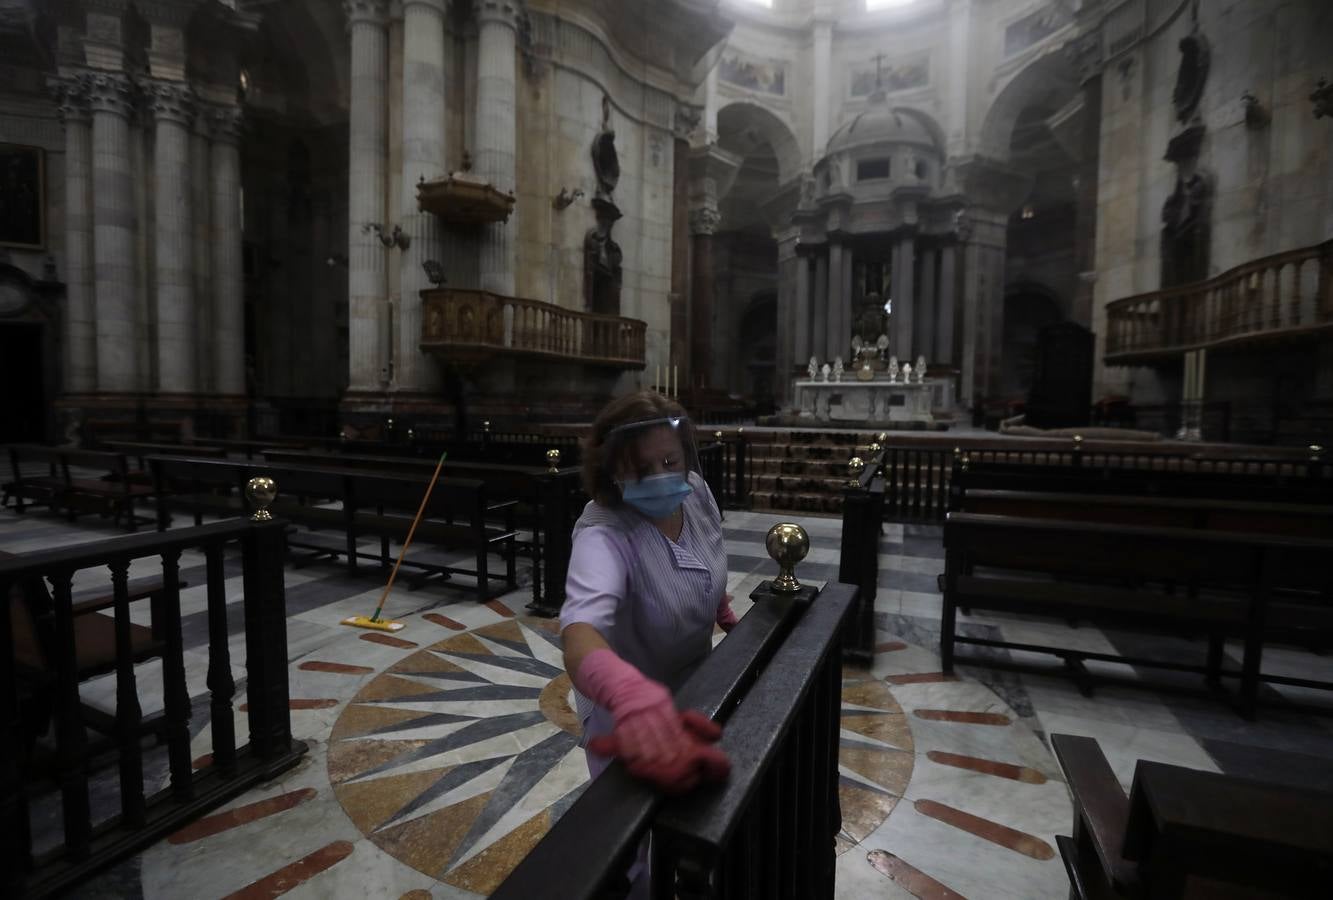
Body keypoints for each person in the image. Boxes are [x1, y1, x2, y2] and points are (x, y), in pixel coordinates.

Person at [561, 391, 737, 790]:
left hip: (696, 686)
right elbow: (579, 633)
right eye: (640, 468)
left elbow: (703, 554)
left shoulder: (694, 491)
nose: (661, 475)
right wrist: (627, 693)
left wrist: (719, 608)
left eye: (670, 461)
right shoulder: (602, 534)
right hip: (627, 716)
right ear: (611, 470)